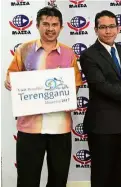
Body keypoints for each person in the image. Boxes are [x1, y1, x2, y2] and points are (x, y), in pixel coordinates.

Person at [4, 6, 83, 187]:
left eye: (55, 24)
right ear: (37, 25)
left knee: (58, 179)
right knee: (27, 179)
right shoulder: (24, 50)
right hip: (30, 128)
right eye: (45, 24)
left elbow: (76, 84)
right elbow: (11, 77)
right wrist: (9, 82)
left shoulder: (69, 53)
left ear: (61, 27)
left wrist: (62, 95)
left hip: (60, 128)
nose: (50, 28)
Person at [79, 10, 121, 187]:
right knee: (102, 176)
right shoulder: (89, 55)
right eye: (103, 27)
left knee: (118, 175)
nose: (108, 31)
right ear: (95, 30)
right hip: (101, 127)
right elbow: (100, 85)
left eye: (111, 27)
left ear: (118, 28)